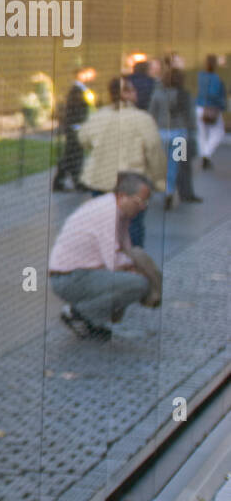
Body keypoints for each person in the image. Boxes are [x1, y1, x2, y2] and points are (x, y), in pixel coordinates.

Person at [51, 172, 155, 342]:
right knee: (138, 284)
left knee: (133, 279)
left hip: (77, 273)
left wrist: (131, 266)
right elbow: (112, 260)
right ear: (122, 196)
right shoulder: (108, 213)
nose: (143, 207)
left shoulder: (117, 210)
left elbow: (124, 249)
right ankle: (78, 314)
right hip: (69, 278)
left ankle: (89, 320)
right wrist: (134, 269)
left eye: (146, 203)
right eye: (139, 201)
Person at [76, 75, 166, 248]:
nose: (136, 93)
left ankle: (107, 256)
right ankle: (132, 258)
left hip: (101, 179)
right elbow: (154, 149)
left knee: (105, 224)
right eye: (132, 90)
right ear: (125, 94)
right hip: (132, 180)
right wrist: (159, 179)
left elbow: (83, 138)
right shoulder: (142, 119)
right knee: (133, 225)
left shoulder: (99, 116)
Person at [148, 65, 201, 208]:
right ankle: (170, 191)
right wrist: (193, 132)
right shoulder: (185, 95)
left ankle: (163, 190)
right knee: (176, 165)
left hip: (162, 134)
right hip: (180, 135)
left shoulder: (158, 94)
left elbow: (152, 114)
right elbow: (191, 116)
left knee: (162, 165)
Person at [52, 66, 95, 191]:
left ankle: (61, 181)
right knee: (74, 155)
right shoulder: (77, 90)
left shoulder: (81, 89)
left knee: (71, 155)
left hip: (77, 126)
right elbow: (76, 110)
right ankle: (76, 182)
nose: (91, 77)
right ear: (81, 75)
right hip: (75, 127)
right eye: (88, 74)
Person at [196, 54, 226, 169]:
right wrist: (222, 105)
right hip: (211, 108)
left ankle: (205, 155)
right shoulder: (216, 79)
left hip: (199, 106)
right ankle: (206, 154)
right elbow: (214, 94)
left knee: (202, 134)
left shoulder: (201, 76)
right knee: (218, 132)